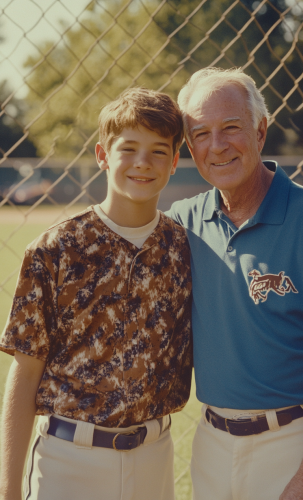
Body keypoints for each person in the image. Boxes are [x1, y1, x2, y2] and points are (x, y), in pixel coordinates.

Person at [167, 67, 303, 500]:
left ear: (260, 131)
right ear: (190, 147)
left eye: (231, 128)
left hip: (292, 442)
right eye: (201, 134)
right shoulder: (181, 225)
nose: (217, 145)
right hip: (211, 442)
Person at [0, 87, 192, 500]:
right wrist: (8, 490)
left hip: (153, 456)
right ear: (103, 156)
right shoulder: (55, 249)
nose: (143, 162)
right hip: (68, 460)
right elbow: (26, 372)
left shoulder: (183, 247)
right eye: (129, 148)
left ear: (175, 162)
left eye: (159, 151)